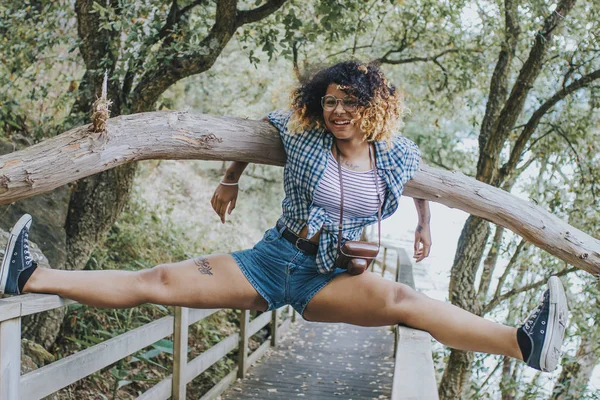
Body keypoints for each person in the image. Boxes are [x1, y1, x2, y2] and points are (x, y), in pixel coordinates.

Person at [0, 60, 567, 373]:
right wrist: (229, 179)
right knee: (161, 281)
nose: (338, 110)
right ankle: (29, 276)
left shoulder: (392, 154)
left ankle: (523, 343)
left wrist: (421, 222)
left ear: (372, 108)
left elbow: (421, 180)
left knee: (404, 303)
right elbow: (249, 135)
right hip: (271, 261)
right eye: (331, 101)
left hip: (334, 278)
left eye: (350, 102)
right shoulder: (305, 136)